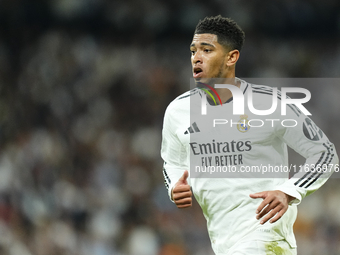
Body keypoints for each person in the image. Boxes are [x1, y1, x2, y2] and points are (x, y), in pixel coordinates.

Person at [161, 15, 338, 255]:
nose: (197, 58)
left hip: (266, 237)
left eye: (207, 50)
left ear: (232, 57)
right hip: (224, 242)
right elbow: (172, 161)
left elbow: (325, 154)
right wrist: (174, 185)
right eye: (193, 51)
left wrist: (290, 190)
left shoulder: (270, 103)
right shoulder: (178, 111)